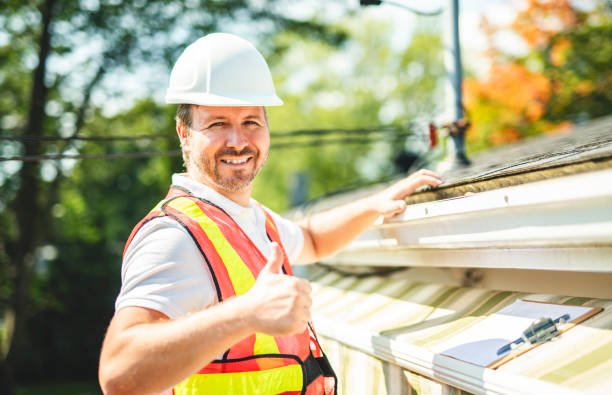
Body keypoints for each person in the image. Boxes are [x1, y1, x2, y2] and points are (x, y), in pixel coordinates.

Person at [98, 32, 442, 395]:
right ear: (184, 133)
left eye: (251, 121)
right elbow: (119, 375)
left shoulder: (249, 219)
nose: (238, 140)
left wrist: (373, 204)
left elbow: (311, 239)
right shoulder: (175, 235)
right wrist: (246, 313)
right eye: (217, 123)